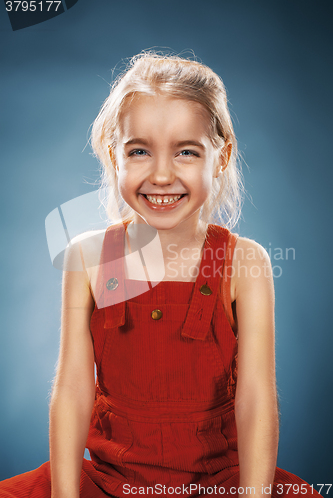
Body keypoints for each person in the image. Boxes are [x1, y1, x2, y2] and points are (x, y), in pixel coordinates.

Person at [0, 52, 323, 498]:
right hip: (109, 482)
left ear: (222, 156)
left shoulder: (242, 263)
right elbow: (74, 387)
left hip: (219, 484)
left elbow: (255, 397)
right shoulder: (90, 257)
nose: (162, 174)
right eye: (139, 151)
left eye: (186, 151)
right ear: (115, 157)